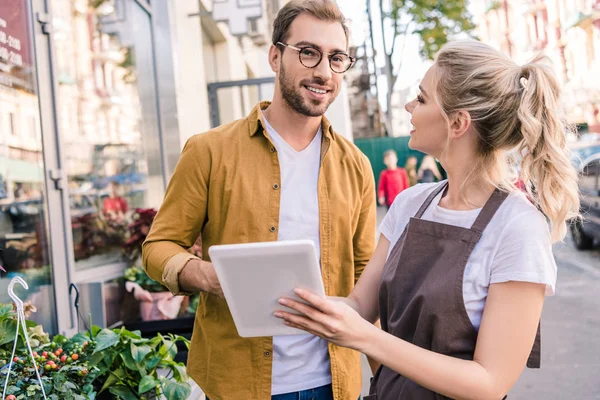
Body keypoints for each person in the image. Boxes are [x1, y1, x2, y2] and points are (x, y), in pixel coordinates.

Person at [274, 39, 580, 399]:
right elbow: (359, 307)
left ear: (458, 123)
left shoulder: (518, 228)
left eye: (420, 99)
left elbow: (489, 383)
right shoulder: (409, 204)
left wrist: (366, 337)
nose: (409, 106)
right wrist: (293, 301)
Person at [142, 1, 376, 399]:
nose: (323, 71)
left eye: (337, 58)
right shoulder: (208, 151)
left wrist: (385, 371)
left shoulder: (356, 166)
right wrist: (208, 277)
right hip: (235, 383)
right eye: (308, 52)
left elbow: (365, 276)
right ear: (275, 56)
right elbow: (158, 248)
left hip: (334, 383)